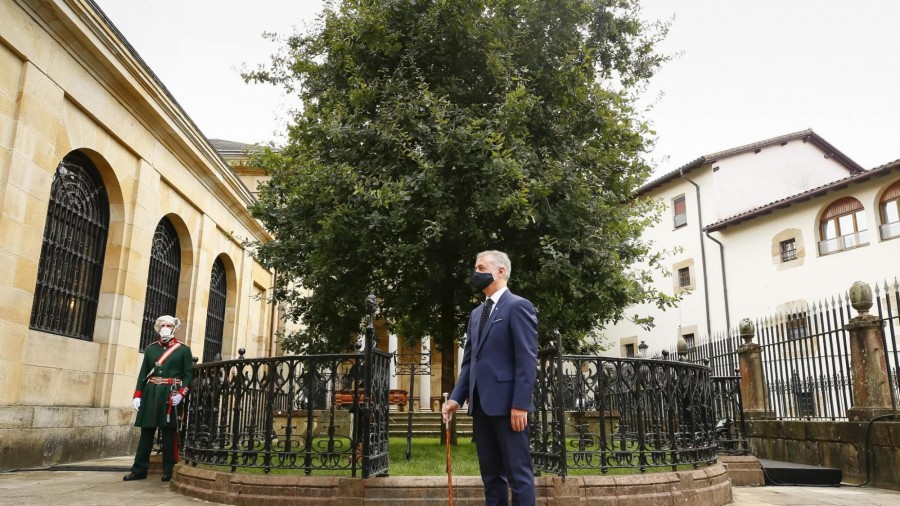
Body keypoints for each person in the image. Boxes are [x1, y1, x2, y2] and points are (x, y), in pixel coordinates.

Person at [442, 250, 538, 505]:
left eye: (482, 268)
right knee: (491, 476)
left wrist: (520, 404)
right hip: (481, 407)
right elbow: (470, 363)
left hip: (509, 408)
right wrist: (456, 398)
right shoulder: (476, 314)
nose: (477, 273)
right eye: (476, 267)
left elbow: (526, 360)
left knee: (519, 476)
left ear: (500, 271)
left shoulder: (518, 306)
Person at [123, 315, 193, 482]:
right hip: (151, 392)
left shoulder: (183, 349)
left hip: (170, 393)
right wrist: (138, 395)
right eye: (162, 325)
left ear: (174, 328)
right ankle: (139, 469)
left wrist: (182, 393)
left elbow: (188, 375)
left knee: (169, 433)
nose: (165, 328)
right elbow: (143, 374)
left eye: (169, 325)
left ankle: (168, 469)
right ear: (158, 327)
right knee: (146, 432)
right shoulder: (151, 349)